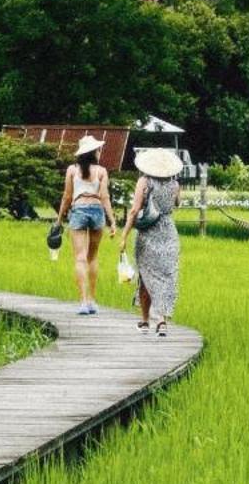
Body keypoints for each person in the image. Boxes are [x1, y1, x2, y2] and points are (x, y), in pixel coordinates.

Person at [121, 148, 183, 337]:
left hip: (148, 233)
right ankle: (160, 321)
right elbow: (177, 204)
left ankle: (147, 321)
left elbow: (134, 210)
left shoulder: (144, 181)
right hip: (169, 233)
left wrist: (124, 235)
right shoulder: (175, 184)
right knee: (165, 277)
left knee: (146, 276)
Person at [57, 135, 115, 316]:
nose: (100, 152)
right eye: (98, 150)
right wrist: (112, 220)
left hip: (79, 210)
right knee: (93, 257)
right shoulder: (102, 171)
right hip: (97, 211)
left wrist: (59, 219)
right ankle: (92, 300)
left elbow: (67, 196)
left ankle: (82, 301)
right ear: (93, 152)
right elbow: (105, 196)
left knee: (80, 258)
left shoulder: (72, 170)